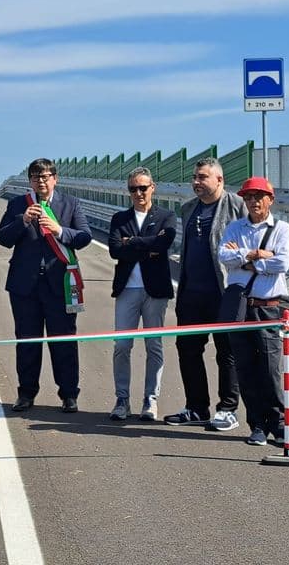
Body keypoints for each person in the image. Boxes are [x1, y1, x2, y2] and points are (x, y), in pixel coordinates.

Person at [0, 158, 91, 413]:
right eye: (36, 177)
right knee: (27, 341)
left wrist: (60, 231)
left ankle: (69, 394)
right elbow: (2, 238)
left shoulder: (70, 203)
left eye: (46, 176)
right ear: (30, 181)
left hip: (59, 284)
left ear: (55, 179)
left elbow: (84, 237)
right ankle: (26, 393)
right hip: (24, 286)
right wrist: (22, 221)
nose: (42, 181)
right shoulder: (18, 204)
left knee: (64, 341)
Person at [164, 158, 247, 430]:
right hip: (191, 292)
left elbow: (253, 235)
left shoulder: (236, 205)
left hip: (223, 292)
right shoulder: (189, 208)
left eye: (202, 177)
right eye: (195, 178)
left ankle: (227, 409)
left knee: (227, 352)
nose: (196, 182)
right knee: (188, 349)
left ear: (219, 180)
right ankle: (196, 407)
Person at [218, 176, 289, 446]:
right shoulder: (235, 227)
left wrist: (243, 258)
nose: (253, 202)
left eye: (258, 196)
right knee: (245, 367)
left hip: (268, 308)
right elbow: (223, 256)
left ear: (270, 200)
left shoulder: (282, 229)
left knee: (271, 369)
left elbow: (282, 263)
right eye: (248, 197)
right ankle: (257, 425)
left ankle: (279, 425)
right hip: (240, 308)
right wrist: (256, 254)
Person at [107, 167, 176, 421]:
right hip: (127, 289)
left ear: (152, 188)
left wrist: (131, 242)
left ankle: (151, 399)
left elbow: (163, 244)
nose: (138, 193)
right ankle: (122, 399)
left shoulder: (166, 216)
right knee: (122, 345)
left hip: (155, 290)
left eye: (143, 188)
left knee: (154, 345)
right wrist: (147, 245)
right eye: (133, 189)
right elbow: (115, 250)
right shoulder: (119, 219)